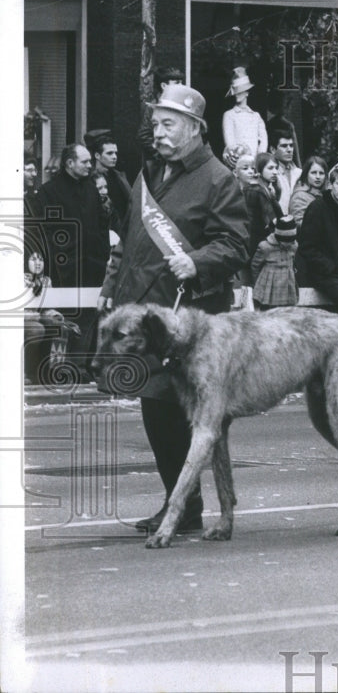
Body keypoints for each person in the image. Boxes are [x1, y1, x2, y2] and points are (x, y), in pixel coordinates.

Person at [97, 83, 249, 534]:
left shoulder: (219, 178)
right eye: (156, 124)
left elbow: (236, 244)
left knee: (172, 410)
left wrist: (197, 261)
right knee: (155, 408)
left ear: (195, 129)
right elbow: (131, 239)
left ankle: (185, 504)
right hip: (147, 311)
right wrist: (111, 286)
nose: (157, 133)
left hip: (187, 319)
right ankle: (180, 501)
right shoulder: (150, 175)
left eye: (168, 124)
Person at [37, 143, 111, 376]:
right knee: (64, 320)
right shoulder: (49, 191)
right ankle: (58, 369)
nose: (90, 165)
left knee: (89, 318)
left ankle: (79, 367)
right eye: (85, 161)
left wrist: (102, 253)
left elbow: (101, 223)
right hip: (64, 269)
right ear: (70, 164)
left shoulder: (90, 188)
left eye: (90, 161)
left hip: (92, 266)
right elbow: (44, 231)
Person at [295, 164, 338, 314]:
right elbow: (307, 247)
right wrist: (329, 266)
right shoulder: (317, 207)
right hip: (323, 273)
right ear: (330, 185)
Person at [222, 67, 268, 168]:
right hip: (237, 163)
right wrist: (239, 157)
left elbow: (263, 140)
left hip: (255, 164)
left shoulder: (256, 116)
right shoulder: (229, 115)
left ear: (247, 92)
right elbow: (230, 143)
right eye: (235, 91)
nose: (236, 95)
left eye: (240, 91)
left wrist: (259, 160)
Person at [250, 215, 299, 310]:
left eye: (290, 240)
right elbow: (255, 266)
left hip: (287, 284)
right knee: (267, 311)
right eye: (285, 240)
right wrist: (258, 285)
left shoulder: (294, 245)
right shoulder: (265, 247)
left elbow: (293, 261)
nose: (288, 244)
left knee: (287, 311)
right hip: (269, 286)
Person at [86, 130, 131, 228]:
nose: (114, 157)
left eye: (115, 153)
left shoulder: (119, 176)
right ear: (97, 155)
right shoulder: (89, 179)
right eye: (110, 153)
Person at [244, 152, 283, 261]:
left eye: (276, 168)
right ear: (259, 169)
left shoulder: (260, 189)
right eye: (270, 168)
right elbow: (271, 222)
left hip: (255, 244)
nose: (275, 172)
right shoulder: (258, 190)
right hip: (258, 246)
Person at [288, 156, 328, 226]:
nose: (318, 177)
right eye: (313, 173)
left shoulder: (325, 194)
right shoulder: (299, 196)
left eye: (321, 173)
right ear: (306, 174)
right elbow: (298, 224)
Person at [270, 128, 301, 214]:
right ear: (273, 150)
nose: (289, 149)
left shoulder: (299, 173)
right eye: (284, 146)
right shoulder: (269, 175)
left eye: (291, 145)